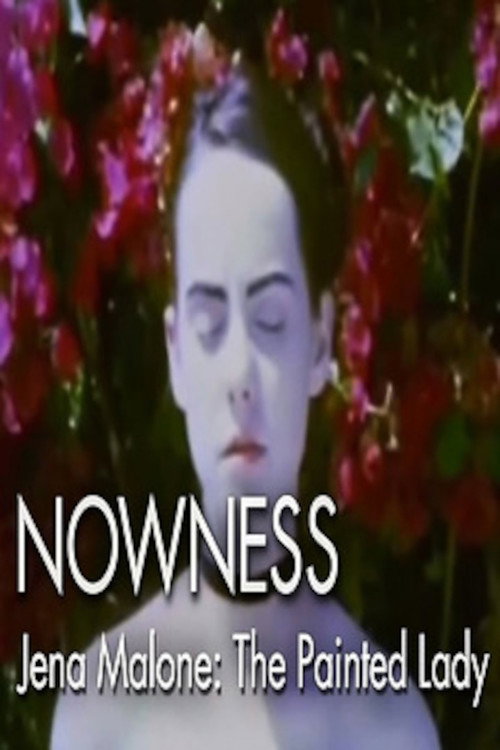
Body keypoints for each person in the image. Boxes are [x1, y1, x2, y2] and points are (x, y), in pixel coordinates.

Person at [51, 60, 440, 749]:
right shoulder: (100, 715)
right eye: (209, 325)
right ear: (176, 353)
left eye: (270, 320)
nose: (240, 373)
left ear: (319, 340)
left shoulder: (389, 726)